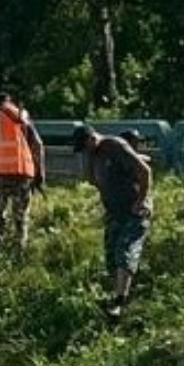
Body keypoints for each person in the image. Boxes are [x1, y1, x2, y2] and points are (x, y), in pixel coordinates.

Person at [71, 125, 153, 320]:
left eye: (85, 147)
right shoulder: (93, 155)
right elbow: (95, 180)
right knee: (110, 255)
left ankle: (119, 302)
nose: (85, 152)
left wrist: (141, 201)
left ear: (92, 138)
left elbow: (145, 171)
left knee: (124, 251)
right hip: (115, 213)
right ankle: (121, 292)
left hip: (134, 210)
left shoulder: (114, 146)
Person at [0, 91, 45, 249]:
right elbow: (38, 144)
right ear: (11, 102)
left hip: (1, 174)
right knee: (21, 216)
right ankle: (20, 251)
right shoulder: (23, 116)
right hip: (23, 173)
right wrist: (40, 173)